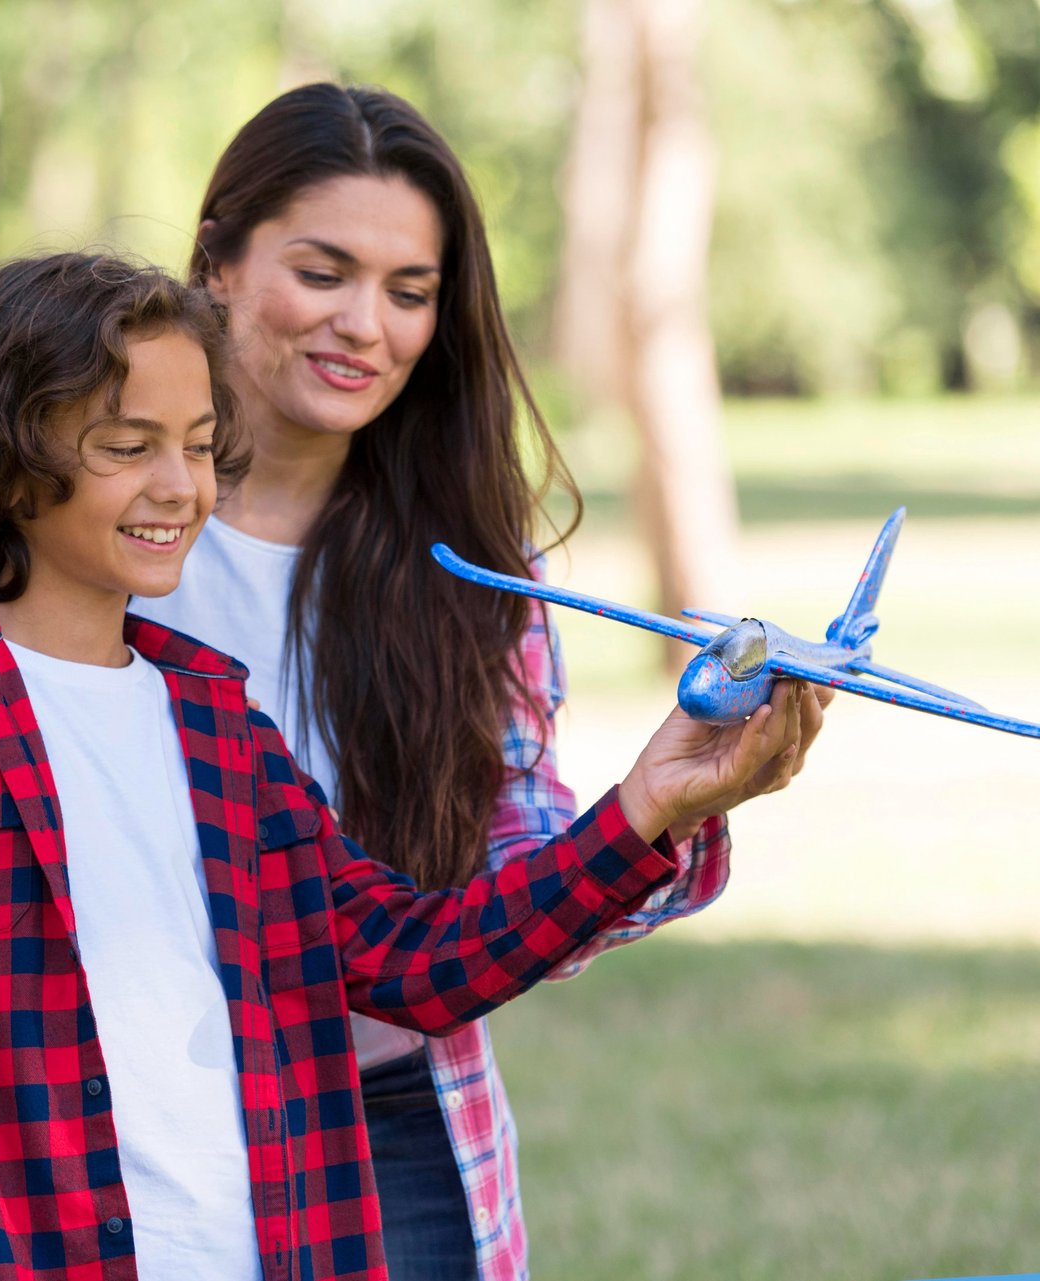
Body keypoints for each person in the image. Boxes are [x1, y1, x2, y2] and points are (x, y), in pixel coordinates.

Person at [0, 252, 809, 1280]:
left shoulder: (216, 719)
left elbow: (419, 963)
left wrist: (652, 802)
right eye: (126, 446)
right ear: (8, 459)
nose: (177, 486)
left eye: (198, 446)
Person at [131, 83, 832, 1281]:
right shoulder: (84, 519)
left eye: (410, 293)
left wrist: (659, 815)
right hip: (118, 1124)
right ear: (217, 262)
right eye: (323, 271)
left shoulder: (470, 578)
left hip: (387, 1122)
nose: (367, 325)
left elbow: (507, 898)